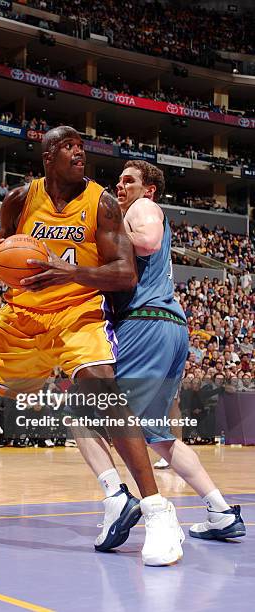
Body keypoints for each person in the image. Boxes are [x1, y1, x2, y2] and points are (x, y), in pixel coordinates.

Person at [0, 126, 181, 565]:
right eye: (69, 148)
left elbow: (125, 274)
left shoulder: (103, 203)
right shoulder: (20, 200)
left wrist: (68, 272)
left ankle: (157, 511)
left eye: (83, 148)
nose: (80, 154)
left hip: (77, 312)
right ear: (47, 156)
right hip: (19, 316)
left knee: (103, 393)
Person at [75, 160, 245, 553]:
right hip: (167, 326)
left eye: (129, 180)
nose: (120, 185)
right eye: (118, 180)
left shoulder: (141, 210)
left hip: (145, 324)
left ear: (149, 189)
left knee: (83, 412)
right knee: (156, 435)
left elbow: (148, 241)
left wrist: (104, 235)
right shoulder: (130, 213)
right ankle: (220, 511)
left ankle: (118, 498)